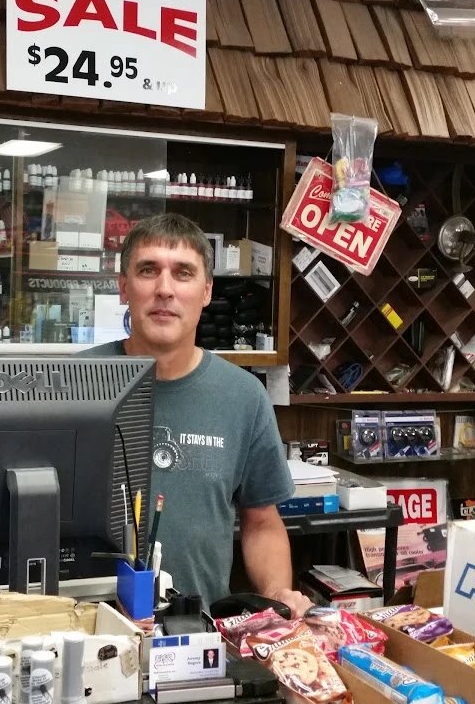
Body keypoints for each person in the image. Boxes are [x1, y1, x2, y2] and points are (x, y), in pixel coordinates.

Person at [82, 213, 312, 618]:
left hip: (194, 642)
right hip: (85, 633)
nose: (164, 289)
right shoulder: (73, 383)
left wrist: (277, 591)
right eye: (148, 270)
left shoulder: (243, 396)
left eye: (183, 273)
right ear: (123, 287)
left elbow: (261, 522)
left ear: (206, 291)